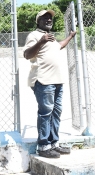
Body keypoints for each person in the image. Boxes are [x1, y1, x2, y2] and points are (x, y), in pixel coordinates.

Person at [23, 9, 76, 158]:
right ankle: (43, 146)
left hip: (57, 81)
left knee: (56, 112)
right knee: (46, 113)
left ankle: (54, 143)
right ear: (37, 21)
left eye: (50, 18)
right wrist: (41, 41)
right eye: (45, 18)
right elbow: (27, 55)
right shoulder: (34, 35)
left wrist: (70, 36)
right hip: (43, 80)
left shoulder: (51, 38)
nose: (48, 20)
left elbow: (60, 45)